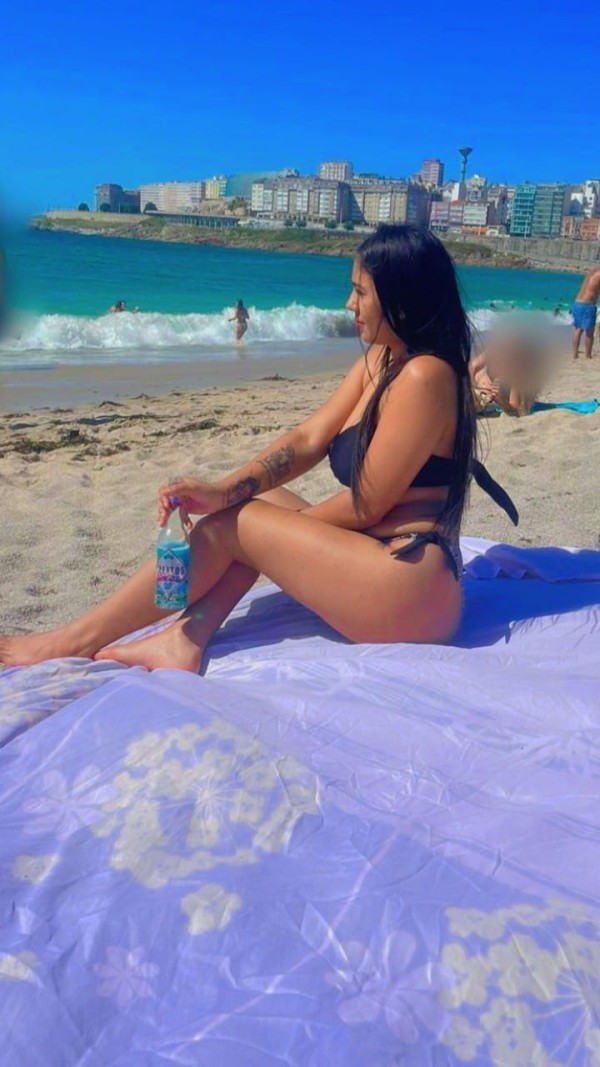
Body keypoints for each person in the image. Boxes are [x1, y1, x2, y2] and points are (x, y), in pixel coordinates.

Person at [2, 224, 501, 674]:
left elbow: (367, 505)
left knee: (239, 525)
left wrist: (256, 528)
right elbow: (306, 440)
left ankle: (72, 640)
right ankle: (184, 637)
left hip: (411, 586)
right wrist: (223, 492)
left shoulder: (425, 375)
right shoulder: (382, 361)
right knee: (250, 508)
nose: (349, 304)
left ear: (401, 297)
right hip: (383, 563)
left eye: (360, 292)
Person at [570, 266, 600, 359]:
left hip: (577, 303)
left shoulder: (594, 270)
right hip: (588, 305)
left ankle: (575, 354)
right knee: (589, 332)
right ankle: (588, 355)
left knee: (578, 329)